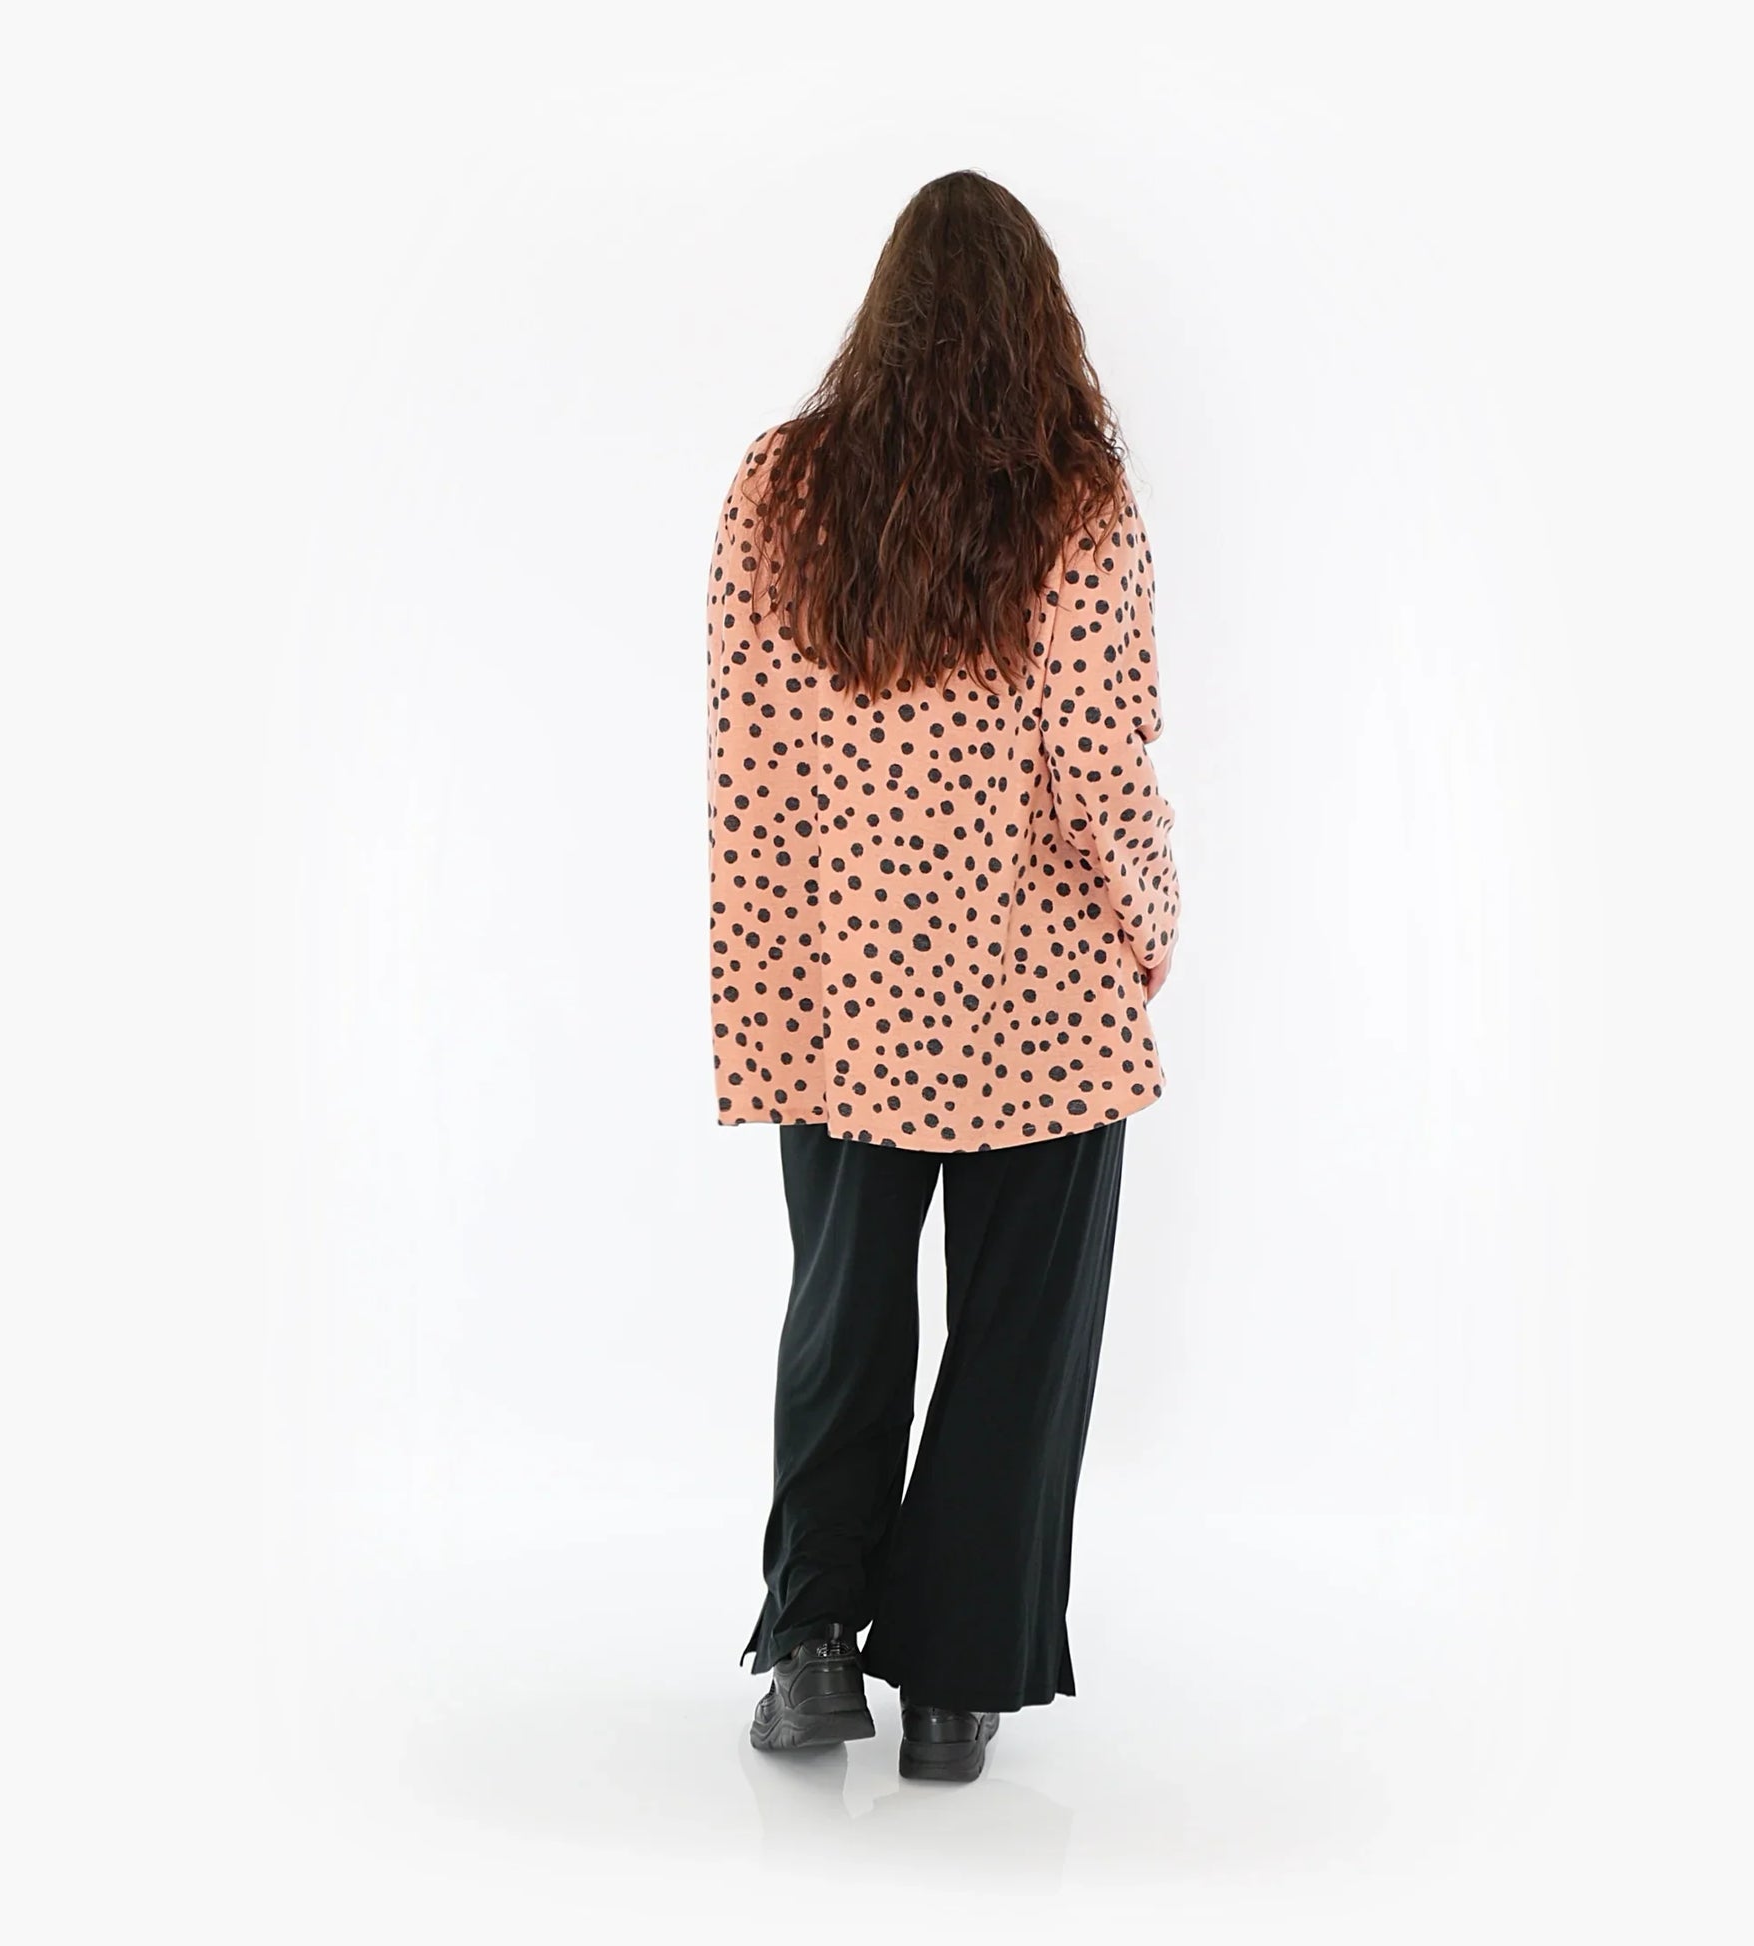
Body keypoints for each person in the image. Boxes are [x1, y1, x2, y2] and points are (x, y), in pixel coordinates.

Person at [705, 170, 1181, 1784]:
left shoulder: (780, 486)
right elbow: (1099, 757)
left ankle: (812, 1651)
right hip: (1039, 995)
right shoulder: (1073, 497)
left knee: (841, 1311)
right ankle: (957, 1685)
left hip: (843, 989)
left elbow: (747, 753)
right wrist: (1151, 920)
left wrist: (766, 976)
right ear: (1038, 320)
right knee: (1018, 1336)